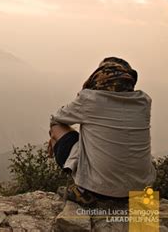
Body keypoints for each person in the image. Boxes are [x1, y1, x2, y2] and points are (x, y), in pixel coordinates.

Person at [48, 57, 156, 206]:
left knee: (56, 127)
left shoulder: (90, 99)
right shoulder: (144, 102)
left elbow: (57, 118)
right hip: (141, 189)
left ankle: (83, 191)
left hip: (99, 190)